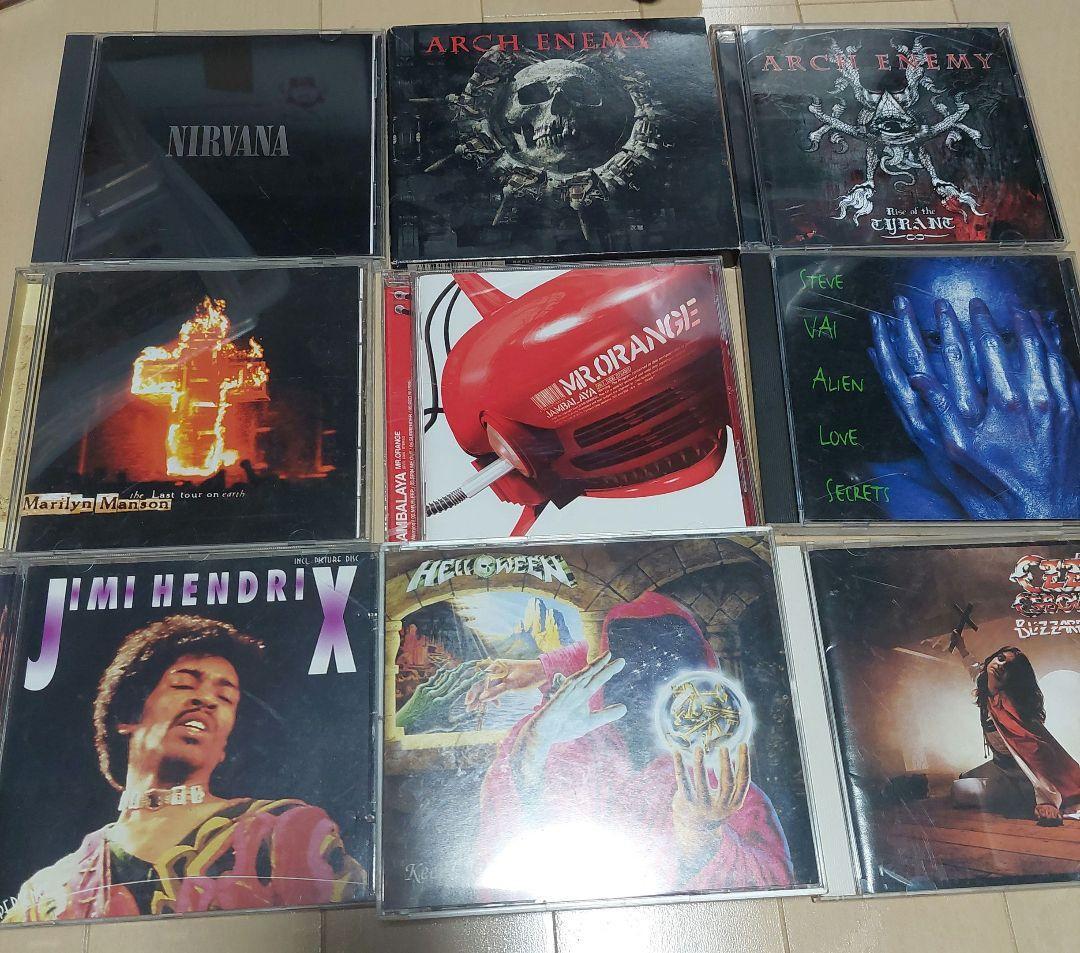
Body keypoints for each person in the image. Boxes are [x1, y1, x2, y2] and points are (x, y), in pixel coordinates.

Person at [4, 615, 367, 922]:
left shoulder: (287, 833)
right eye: (183, 683)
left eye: (225, 697)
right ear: (128, 714)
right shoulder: (48, 892)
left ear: (225, 745)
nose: (206, 699)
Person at [468, 592, 794, 896]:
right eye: (630, 662)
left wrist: (700, 835)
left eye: (667, 664)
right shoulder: (561, 742)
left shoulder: (720, 785)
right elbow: (499, 879)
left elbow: (773, 893)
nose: (645, 682)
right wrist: (531, 748)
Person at [870, 293, 1080, 519]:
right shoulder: (867, 494)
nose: (979, 380)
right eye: (938, 340)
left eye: (1005, 338)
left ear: (1051, 337)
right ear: (892, 343)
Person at [924, 631, 1080, 826]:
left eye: (1008, 667)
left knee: (963, 791)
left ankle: (1025, 800)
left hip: (1022, 773)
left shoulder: (1011, 707)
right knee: (961, 782)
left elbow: (1037, 756)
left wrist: (1047, 801)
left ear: (1013, 679)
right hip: (1000, 765)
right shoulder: (985, 686)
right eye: (1000, 658)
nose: (1000, 665)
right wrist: (961, 647)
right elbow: (974, 669)